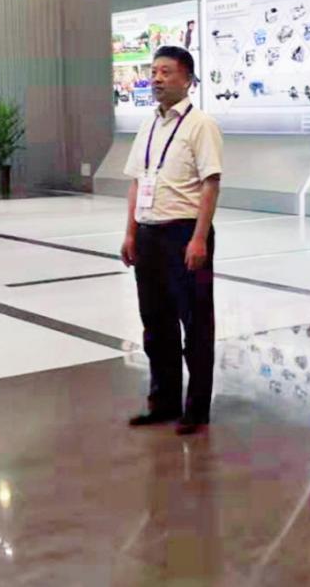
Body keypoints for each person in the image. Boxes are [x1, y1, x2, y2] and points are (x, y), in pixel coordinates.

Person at [121, 46, 224, 435]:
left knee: (195, 325)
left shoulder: (200, 125)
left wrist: (199, 239)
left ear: (188, 79)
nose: (157, 79)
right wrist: (131, 232)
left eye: (166, 72)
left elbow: (210, 183)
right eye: (154, 71)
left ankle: (196, 408)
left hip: (184, 234)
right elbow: (137, 182)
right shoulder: (148, 125)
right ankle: (163, 401)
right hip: (149, 235)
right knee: (156, 323)